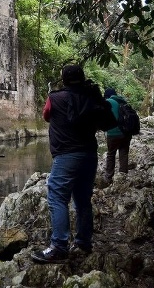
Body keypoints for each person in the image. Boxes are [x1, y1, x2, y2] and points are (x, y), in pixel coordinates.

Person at [31, 64, 115, 264]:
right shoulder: (92, 97)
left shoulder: (55, 98)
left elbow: (46, 115)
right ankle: (84, 242)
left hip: (67, 155)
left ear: (64, 79)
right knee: (83, 200)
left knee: (57, 197)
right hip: (89, 155)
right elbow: (106, 120)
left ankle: (59, 246)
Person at [103, 88, 132, 184]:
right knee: (123, 152)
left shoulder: (108, 101)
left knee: (111, 154)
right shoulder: (123, 101)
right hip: (126, 133)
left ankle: (108, 177)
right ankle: (123, 176)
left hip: (113, 133)